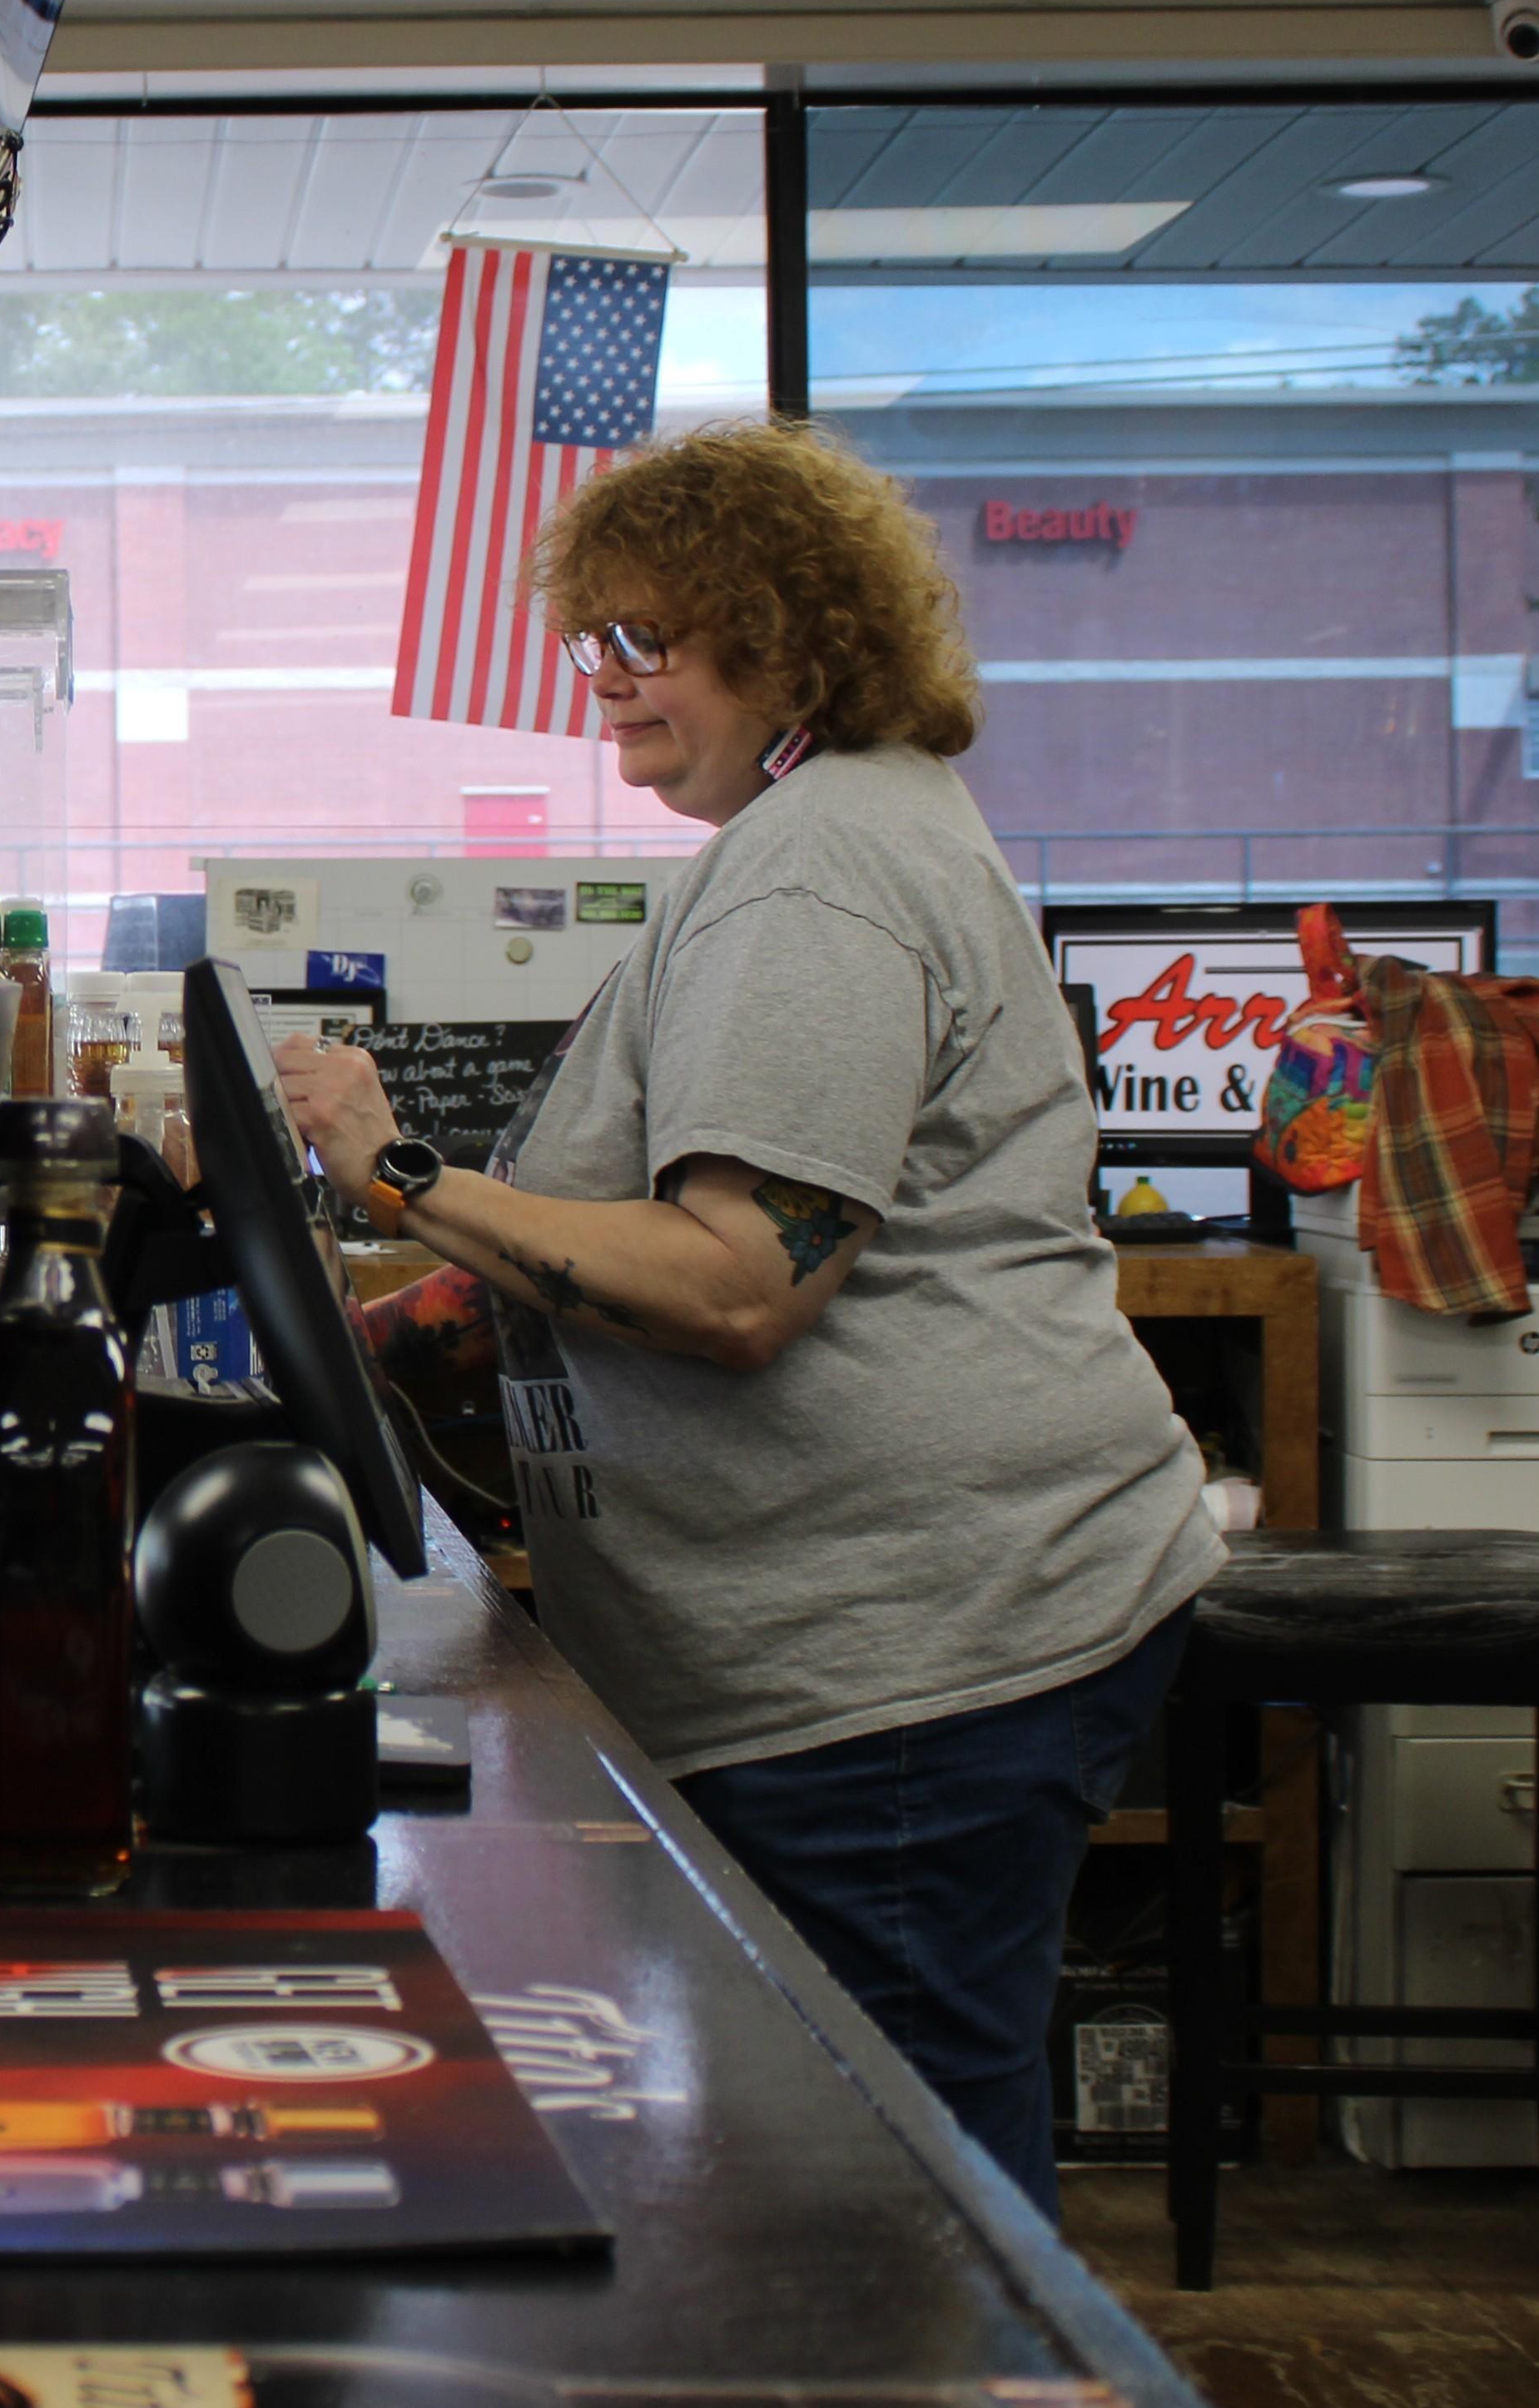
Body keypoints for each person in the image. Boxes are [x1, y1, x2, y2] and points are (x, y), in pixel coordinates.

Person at [278, 416, 1217, 2215]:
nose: (608, 690)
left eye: (652, 644)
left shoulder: (816, 872)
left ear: (787, 641)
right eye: (594, 644)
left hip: (911, 1659)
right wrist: (347, 1352)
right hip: (889, 1637)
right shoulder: (825, 844)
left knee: (893, 2188)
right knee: (858, 2142)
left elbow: (733, 1284)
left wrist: (394, 1172)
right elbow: (608, 1263)